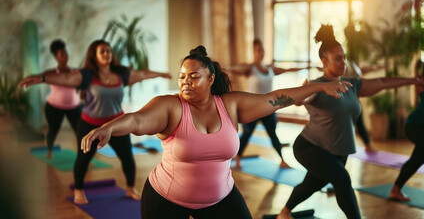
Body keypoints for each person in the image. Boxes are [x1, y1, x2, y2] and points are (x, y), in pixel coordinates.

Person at [80, 45, 352, 219]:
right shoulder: (171, 107)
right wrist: (109, 128)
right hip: (165, 199)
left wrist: (318, 87)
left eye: (194, 76)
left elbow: (276, 98)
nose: (186, 82)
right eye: (182, 77)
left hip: (220, 198)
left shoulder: (231, 105)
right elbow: (137, 121)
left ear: (210, 79)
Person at [275, 24, 424, 219]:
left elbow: (382, 83)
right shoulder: (316, 86)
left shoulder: (351, 84)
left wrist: (413, 80)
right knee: (342, 179)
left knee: (312, 183)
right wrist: (308, 90)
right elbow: (300, 100)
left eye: (344, 58)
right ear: (324, 60)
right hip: (311, 148)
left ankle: (284, 212)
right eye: (338, 58)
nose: (343, 63)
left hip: (338, 152)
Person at [19, 39, 172, 204]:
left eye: (108, 50)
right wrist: (41, 78)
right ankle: (79, 190)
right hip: (90, 124)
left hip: (116, 125)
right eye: (102, 51)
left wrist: (161, 74)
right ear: (94, 56)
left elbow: (142, 74)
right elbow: (64, 78)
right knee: (83, 159)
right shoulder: (86, 75)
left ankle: (130, 188)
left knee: (127, 157)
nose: (106, 53)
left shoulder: (121, 74)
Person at [229, 38, 309, 169]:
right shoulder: (250, 68)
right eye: (258, 50)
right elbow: (233, 69)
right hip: (252, 108)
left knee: (273, 133)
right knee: (247, 134)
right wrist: (217, 67)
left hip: (268, 107)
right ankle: (237, 159)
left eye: (262, 50)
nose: (261, 52)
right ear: (254, 52)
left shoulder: (270, 68)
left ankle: (282, 160)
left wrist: (306, 66)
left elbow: (288, 70)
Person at [389, 51, 424, 201]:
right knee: (418, 158)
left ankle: (395, 190)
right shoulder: (422, 80)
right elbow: (417, 80)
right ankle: (396, 189)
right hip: (415, 126)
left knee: (417, 159)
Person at [43, 39, 82, 159]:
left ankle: (83, 157)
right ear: (56, 58)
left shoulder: (76, 72)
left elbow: (80, 85)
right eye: (61, 54)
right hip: (54, 107)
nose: (65, 56)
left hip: (74, 107)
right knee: (53, 130)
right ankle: (49, 151)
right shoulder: (52, 73)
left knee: (80, 132)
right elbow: (41, 78)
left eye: (65, 53)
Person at [344, 60, 383, 152]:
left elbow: (365, 70)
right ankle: (367, 144)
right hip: (346, 99)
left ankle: (367, 144)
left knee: (360, 123)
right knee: (354, 123)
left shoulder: (354, 66)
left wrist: (380, 67)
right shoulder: (346, 66)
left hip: (354, 98)